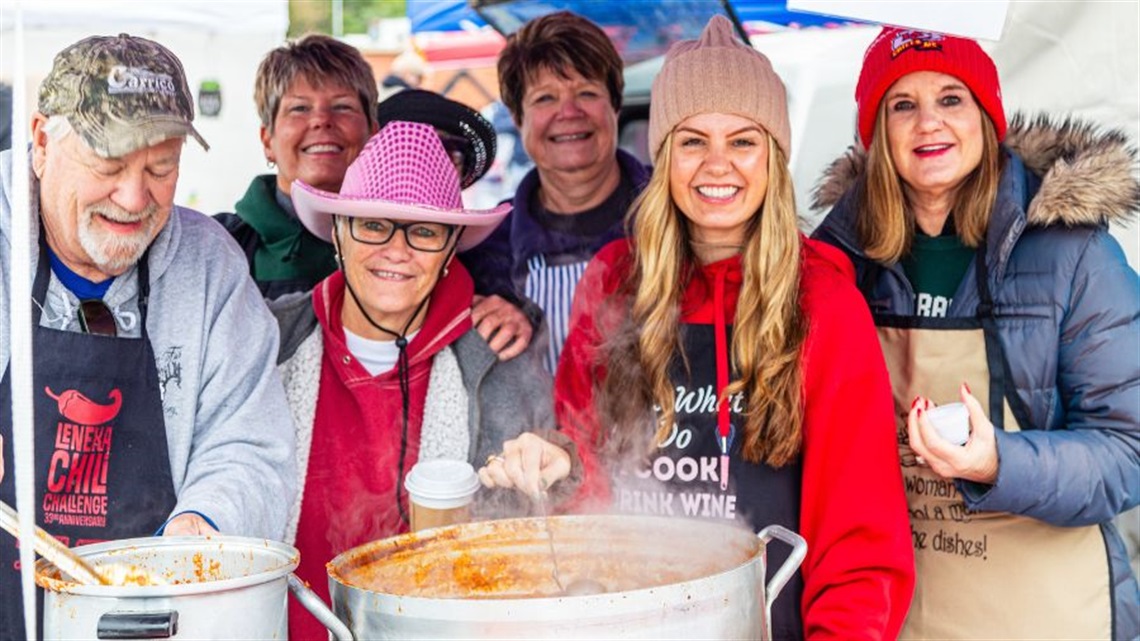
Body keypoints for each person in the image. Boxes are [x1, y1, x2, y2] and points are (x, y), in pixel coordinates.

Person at [480, 17, 915, 639]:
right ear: (662, 155)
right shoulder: (614, 281)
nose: (718, 165)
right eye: (692, 141)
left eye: (743, 141)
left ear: (775, 156)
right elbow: (588, 470)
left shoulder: (823, 301)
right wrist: (556, 460)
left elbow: (860, 540)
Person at [811, 27, 1140, 640]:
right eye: (902, 105)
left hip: (1047, 616)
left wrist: (1000, 463)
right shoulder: (836, 262)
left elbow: (1128, 450)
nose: (928, 123)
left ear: (988, 116)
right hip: (898, 616)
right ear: (876, 134)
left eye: (951, 98)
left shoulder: (1076, 255)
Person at [0, 34, 295, 638]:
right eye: (108, 166)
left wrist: (202, 531)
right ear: (40, 141)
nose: (134, 198)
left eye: (160, 168)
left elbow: (250, 444)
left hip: (157, 619)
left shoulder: (210, 269)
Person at [275, 120, 579, 640]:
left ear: (450, 247)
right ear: (339, 233)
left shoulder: (503, 359)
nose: (397, 249)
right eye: (374, 224)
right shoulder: (269, 344)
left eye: (423, 230)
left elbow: (550, 532)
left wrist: (557, 463)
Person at [459, 11, 651, 373]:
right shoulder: (485, 245)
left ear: (615, 105)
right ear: (518, 118)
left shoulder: (676, 213)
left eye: (587, 92)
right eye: (545, 98)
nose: (569, 112)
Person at [215, 34, 378, 299]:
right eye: (299, 108)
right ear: (267, 140)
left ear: (373, 134)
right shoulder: (217, 248)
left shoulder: (413, 244)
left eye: (342, 106)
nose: (322, 120)